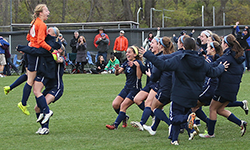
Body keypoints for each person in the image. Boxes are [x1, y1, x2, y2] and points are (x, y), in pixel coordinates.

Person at [140, 37, 228, 145]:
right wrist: (222, 67)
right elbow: (213, 72)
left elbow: (163, 65)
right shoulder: (202, 61)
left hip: (179, 94)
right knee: (181, 114)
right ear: (195, 47)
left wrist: (148, 55)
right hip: (194, 95)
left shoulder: (180, 59)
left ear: (184, 47)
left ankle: (188, 118)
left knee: (174, 118)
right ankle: (174, 140)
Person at [199, 34, 247, 138]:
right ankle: (240, 123)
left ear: (225, 44)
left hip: (224, 88)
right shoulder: (237, 56)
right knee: (220, 110)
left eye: (222, 43)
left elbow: (211, 67)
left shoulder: (227, 57)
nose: (221, 45)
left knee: (212, 108)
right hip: (233, 88)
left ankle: (210, 134)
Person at [17, 4, 55, 121]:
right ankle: (24, 104)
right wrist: (52, 50)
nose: (48, 12)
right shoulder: (41, 24)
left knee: (30, 79)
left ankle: (24, 102)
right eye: (46, 10)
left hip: (30, 52)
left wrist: (29, 46)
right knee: (31, 81)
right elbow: (40, 42)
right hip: (35, 54)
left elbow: (29, 37)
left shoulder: (34, 22)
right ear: (40, 13)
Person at [131, 37, 175, 131]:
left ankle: (142, 123)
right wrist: (138, 66)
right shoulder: (150, 56)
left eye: (154, 43)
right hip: (151, 83)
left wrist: (151, 75)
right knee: (137, 99)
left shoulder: (162, 56)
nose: (151, 44)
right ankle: (155, 121)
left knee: (150, 104)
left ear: (160, 46)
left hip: (158, 84)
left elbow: (158, 74)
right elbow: (146, 70)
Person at [106, 46, 145, 130]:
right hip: (127, 88)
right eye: (127, 52)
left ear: (135, 54)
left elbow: (139, 77)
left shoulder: (138, 63)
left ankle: (115, 125)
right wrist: (116, 69)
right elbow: (117, 73)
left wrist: (137, 67)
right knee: (115, 105)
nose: (127, 54)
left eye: (129, 52)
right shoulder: (126, 63)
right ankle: (124, 117)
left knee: (123, 105)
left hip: (135, 89)